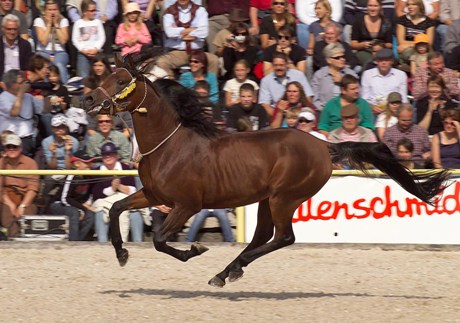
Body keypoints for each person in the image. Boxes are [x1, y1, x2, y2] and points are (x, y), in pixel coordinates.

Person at [92, 142, 145, 243]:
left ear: (116, 155)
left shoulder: (125, 169)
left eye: (111, 154)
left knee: (135, 213)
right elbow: (96, 194)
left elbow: (133, 190)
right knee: (100, 212)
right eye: (105, 154)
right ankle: (102, 243)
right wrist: (112, 188)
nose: (108, 156)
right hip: (105, 203)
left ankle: (138, 243)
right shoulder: (97, 170)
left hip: (124, 201)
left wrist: (119, 186)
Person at [157, 0, 219, 79]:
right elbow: (170, 33)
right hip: (177, 52)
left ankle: (207, 87)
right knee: (161, 62)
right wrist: (193, 29)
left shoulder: (200, 10)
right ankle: (173, 87)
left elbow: (204, 32)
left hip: (197, 52)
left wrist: (179, 33)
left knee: (214, 60)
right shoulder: (169, 12)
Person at [50, 149, 96, 241]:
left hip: (75, 205)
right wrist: (82, 209)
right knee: (74, 213)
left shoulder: (90, 176)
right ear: (77, 164)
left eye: (90, 163)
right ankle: (73, 242)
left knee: (90, 215)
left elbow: (90, 193)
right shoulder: (71, 176)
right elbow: (64, 199)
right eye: (86, 163)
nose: (89, 165)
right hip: (59, 204)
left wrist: (87, 204)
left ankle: (79, 241)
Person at [0, 134, 39, 237]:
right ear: (5, 149)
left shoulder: (31, 163)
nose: (12, 149)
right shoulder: (1, 163)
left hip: (25, 197)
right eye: (9, 147)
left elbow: (33, 188)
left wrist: (22, 206)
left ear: (21, 148)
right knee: (7, 216)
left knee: (27, 218)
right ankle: (14, 242)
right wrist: (10, 204)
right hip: (6, 198)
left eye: (15, 146)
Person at [0, 69, 44, 157]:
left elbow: (43, 109)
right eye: (21, 82)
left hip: (27, 139)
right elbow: (14, 112)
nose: (25, 85)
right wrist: (20, 93)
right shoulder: (3, 98)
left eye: (25, 81)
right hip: (9, 140)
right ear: (12, 84)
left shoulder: (28, 97)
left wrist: (49, 98)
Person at [258, 52, 313, 117]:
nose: (278, 68)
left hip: (299, 114)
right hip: (276, 114)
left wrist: (295, 115)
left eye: (281, 65)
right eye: (276, 65)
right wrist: (278, 116)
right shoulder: (266, 80)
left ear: (287, 65)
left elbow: (308, 97)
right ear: (272, 65)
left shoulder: (299, 75)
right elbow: (265, 105)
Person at [311, 42, 358, 111]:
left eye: (343, 57)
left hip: (347, 112)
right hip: (325, 111)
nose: (342, 59)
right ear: (329, 60)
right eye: (337, 58)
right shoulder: (319, 75)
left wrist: (342, 81)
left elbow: (356, 95)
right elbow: (315, 99)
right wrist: (326, 111)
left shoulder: (351, 74)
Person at [360, 48, 408, 114]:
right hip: (373, 112)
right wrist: (371, 107)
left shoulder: (401, 75)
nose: (383, 63)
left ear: (392, 61)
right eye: (380, 60)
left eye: (386, 60)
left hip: (394, 112)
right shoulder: (367, 74)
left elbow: (403, 99)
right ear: (376, 61)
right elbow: (364, 98)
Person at [33, 0, 70, 83]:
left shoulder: (63, 21)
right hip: (43, 51)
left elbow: (64, 40)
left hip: (59, 52)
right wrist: (49, 24)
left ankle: (64, 89)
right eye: (49, 10)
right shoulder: (39, 21)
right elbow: (43, 41)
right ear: (45, 11)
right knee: (46, 67)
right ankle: (47, 91)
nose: (52, 12)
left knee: (59, 65)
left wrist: (56, 24)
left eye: (54, 10)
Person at [350, 0, 393, 68]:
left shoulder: (386, 22)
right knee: (370, 62)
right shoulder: (359, 21)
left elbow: (390, 44)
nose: (372, 8)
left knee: (387, 60)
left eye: (375, 6)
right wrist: (362, 45)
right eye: (370, 6)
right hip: (364, 51)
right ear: (367, 7)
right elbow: (353, 44)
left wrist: (381, 46)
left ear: (380, 7)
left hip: (382, 50)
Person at [71, 0, 105, 78]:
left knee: (99, 76)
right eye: (92, 10)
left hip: (97, 53)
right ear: (84, 11)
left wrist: (96, 49)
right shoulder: (78, 23)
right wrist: (83, 50)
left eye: (95, 10)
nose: (95, 13)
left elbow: (102, 38)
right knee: (83, 77)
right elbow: (75, 40)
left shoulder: (97, 22)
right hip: (83, 54)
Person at [396, 0, 436, 65]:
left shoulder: (429, 22)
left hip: (424, 50)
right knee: (408, 52)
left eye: (413, 4)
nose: (410, 7)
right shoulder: (402, 20)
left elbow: (429, 43)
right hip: (408, 51)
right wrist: (421, 43)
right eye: (408, 5)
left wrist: (407, 45)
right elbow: (401, 42)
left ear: (420, 6)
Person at [0, 14, 32, 78]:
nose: (12, 32)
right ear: (3, 29)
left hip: (19, 80)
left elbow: (27, 67)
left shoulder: (25, 45)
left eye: (15, 29)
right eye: (9, 29)